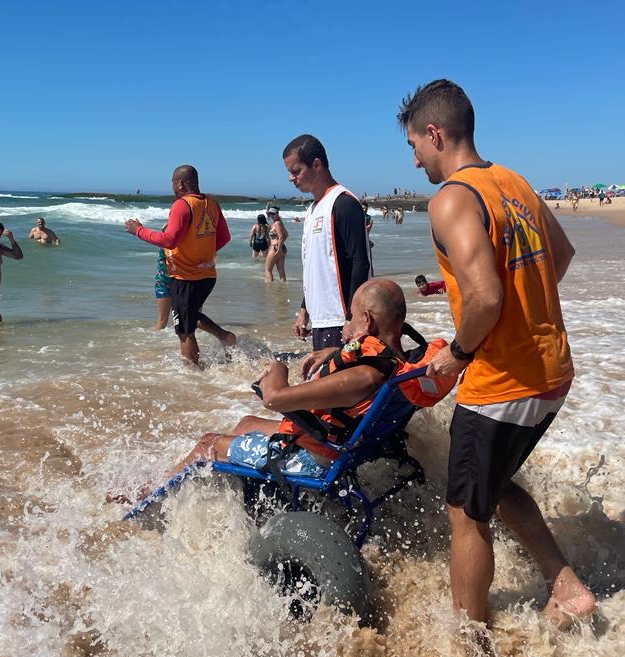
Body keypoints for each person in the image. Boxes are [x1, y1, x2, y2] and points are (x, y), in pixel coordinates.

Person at [398, 79, 596, 627]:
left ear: (434, 134)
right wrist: (520, 308)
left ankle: (470, 640)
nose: (415, 161)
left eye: (414, 146)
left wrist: (458, 352)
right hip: (552, 372)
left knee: (465, 514)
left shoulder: (452, 198)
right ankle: (566, 588)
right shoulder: (514, 182)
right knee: (497, 487)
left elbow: (485, 296)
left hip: (501, 383)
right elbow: (560, 254)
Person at [131, 279, 449, 494]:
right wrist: (334, 353)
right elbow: (365, 358)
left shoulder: (363, 375)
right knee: (245, 424)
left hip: (315, 457)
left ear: (367, 321)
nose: (344, 327)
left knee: (209, 443)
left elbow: (275, 398)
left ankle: (152, 496)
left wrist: (277, 368)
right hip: (341, 442)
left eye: (350, 319)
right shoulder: (397, 362)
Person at [124, 165, 236, 365]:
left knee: (185, 332)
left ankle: (193, 374)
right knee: (191, 314)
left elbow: (169, 240)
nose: (172, 187)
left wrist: (138, 230)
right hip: (207, 275)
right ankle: (226, 337)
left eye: (173, 183)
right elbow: (224, 237)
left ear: (181, 183)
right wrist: (205, 254)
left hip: (186, 278)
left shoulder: (182, 205)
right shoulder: (211, 203)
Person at [282, 134, 373, 350]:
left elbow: (360, 263)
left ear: (316, 164)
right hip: (321, 320)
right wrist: (304, 310)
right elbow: (316, 268)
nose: (290, 178)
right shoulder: (312, 209)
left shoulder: (343, 204)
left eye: (296, 171)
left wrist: (353, 318)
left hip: (341, 321)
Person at [264, 206, 288, 282]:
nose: (271, 215)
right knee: (281, 271)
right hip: (280, 248)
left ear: (277, 214)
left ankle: (270, 288)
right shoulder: (279, 222)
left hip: (275, 248)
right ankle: (282, 288)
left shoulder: (277, 223)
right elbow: (286, 235)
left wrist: (278, 248)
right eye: (270, 214)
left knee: (268, 270)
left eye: (273, 214)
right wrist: (280, 245)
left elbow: (281, 237)